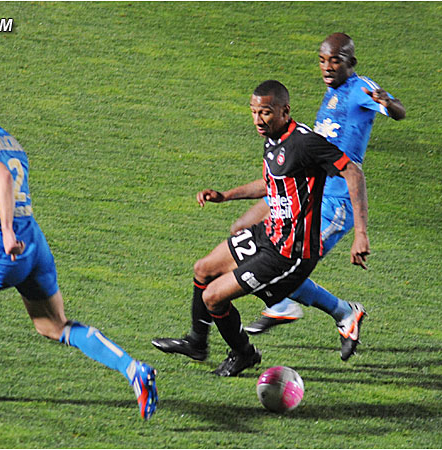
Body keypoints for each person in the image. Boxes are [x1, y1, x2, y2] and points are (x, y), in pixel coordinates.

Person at [0, 77, 158, 420]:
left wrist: (6, 233)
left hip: (4, 251)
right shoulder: (11, 141)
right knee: (53, 326)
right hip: (34, 248)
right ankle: (133, 369)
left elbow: (1, 178)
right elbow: (6, 193)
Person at [152, 80, 370, 377]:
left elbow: (352, 171)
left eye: (265, 112)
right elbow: (272, 183)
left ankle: (244, 353)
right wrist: (226, 195)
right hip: (268, 233)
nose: (258, 119)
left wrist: (360, 234)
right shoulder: (273, 140)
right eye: (253, 112)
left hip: (289, 253)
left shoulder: (305, 142)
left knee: (213, 297)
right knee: (203, 269)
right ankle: (197, 343)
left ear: (284, 111)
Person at [242, 33, 405, 361]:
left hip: (337, 203)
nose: (328, 67)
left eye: (335, 60)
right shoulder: (332, 95)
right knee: (257, 247)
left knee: (285, 265)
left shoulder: (360, 89)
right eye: (323, 60)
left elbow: (398, 112)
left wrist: (388, 102)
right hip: (311, 195)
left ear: (351, 62)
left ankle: (304, 306)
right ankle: (331, 310)